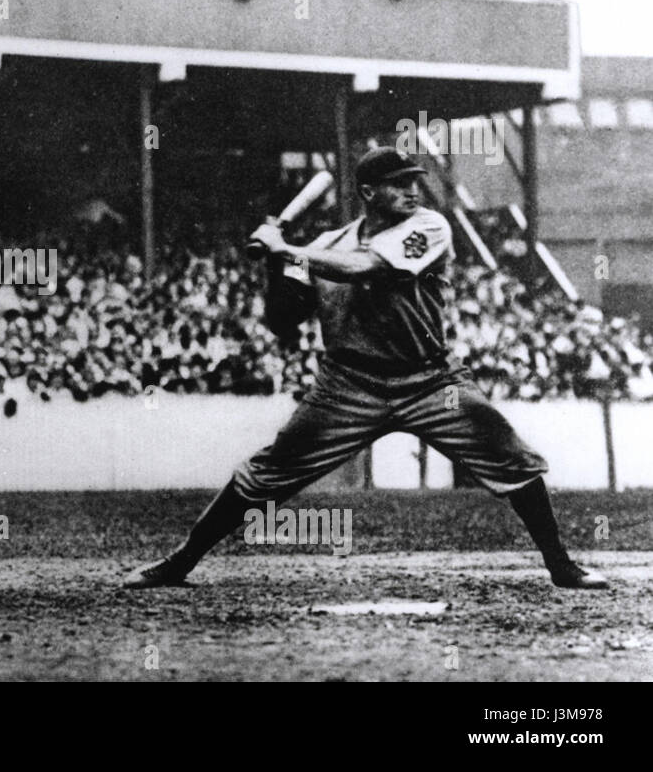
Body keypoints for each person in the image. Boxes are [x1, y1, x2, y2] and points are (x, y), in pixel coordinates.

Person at [124, 146, 608, 591]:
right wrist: (274, 264)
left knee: (509, 455)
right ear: (368, 193)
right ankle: (181, 561)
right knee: (265, 474)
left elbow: (370, 267)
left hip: (429, 379)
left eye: (414, 181)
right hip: (347, 384)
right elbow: (281, 322)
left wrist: (288, 249)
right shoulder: (327, 242)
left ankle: (561, 565)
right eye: (398, 183)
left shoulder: (430, 226)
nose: (412, 190)